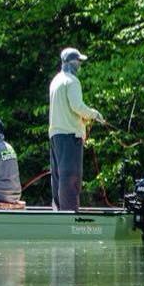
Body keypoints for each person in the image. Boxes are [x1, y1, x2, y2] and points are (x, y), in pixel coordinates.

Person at [48, 47, 104, 211]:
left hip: (55, 135)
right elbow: (76, 106)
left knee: (58, 175)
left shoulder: (55, 81)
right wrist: (95, 114)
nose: (80, 64)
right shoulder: (72, 81)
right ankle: (69, 213)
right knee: (71, 175)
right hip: (69, 135)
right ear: (72, 62)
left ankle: (58, 209)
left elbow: (66, 108)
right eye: (78, 61)